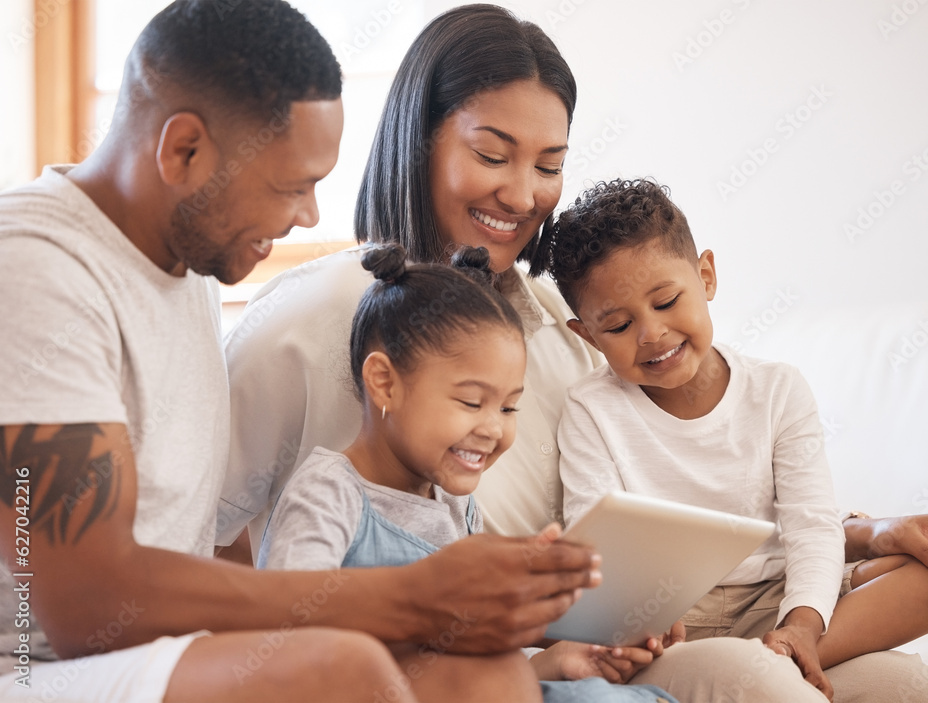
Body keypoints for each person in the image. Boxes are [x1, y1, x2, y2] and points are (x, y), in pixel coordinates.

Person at [219, 3, 928, 702]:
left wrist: (871, 530)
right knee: (756, 679)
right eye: (494, 155)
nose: (524, 195)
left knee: (907, 686)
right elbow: (210, 546)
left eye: (549, 165)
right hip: (510, 662)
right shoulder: (313, 319)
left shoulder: (566, 324)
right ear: (418, 142)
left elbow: (690, 505)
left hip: (604, 635)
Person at [0, 2, 600, 702]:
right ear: (184, 150)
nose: (310, 215)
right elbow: (84, 607)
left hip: (157, 650)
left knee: (486, 672)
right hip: (31, 663)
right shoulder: (38, 268)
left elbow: (209, 541)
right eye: (292, 186)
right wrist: (411, 596)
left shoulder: (182, 260)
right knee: (341, 668)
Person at [542, 177, 928, 700]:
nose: (650, 334)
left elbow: (812, 526)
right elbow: (604, 547)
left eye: (667, 301)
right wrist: (644, 620)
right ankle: (763, 665)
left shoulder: (777, 389)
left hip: (775, 599)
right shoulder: (591, 408)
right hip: (674, 621)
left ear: (705, 276)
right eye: (618, 326)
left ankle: (789, 652)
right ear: (586, 334)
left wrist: (804, 624)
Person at [259, 242, 680, 702]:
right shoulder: (327, 494)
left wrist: (558, 655)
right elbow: (290, 633)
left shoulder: (456, 503)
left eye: (508, 406)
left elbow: (472, 651)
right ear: (384, 382)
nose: (494, 428)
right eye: (470, 402)